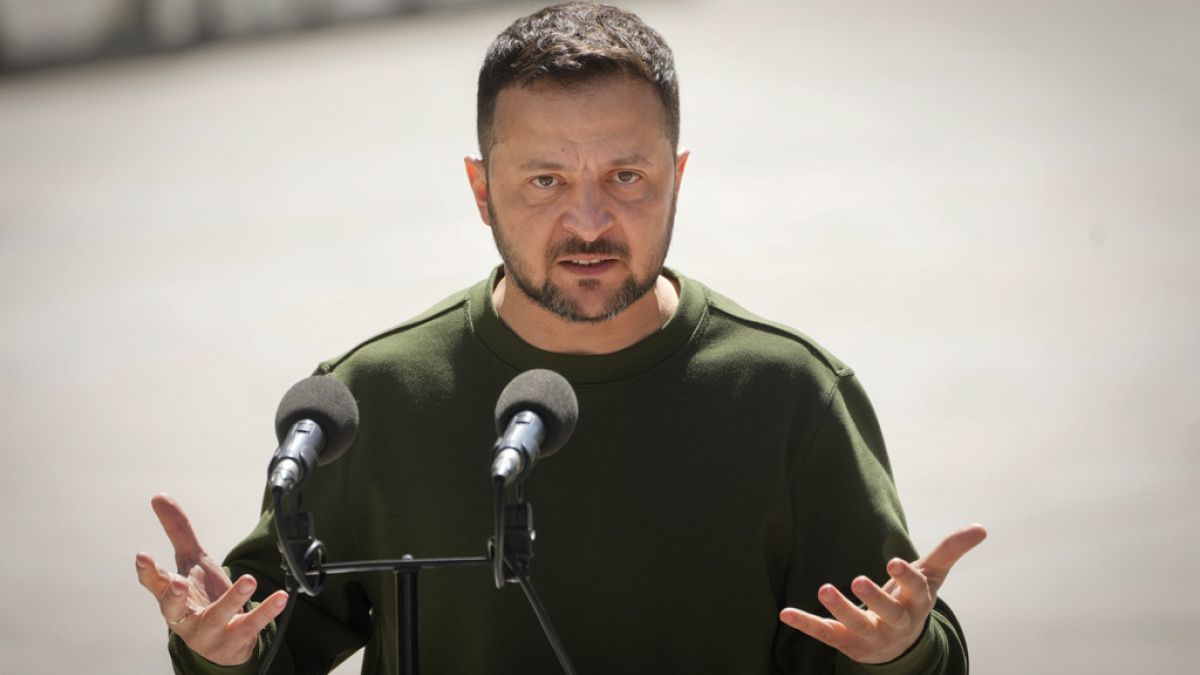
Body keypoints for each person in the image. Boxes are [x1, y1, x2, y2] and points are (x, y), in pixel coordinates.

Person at [136, 3, 986, 673]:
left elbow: (890, 640)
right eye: (544, 180)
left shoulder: (789, 393)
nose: (588, 221)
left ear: (677, 177)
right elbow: (269, 640)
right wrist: (220, 649)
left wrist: (902, 650)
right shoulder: (374, 399)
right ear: (481, 190)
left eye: (627, 176)